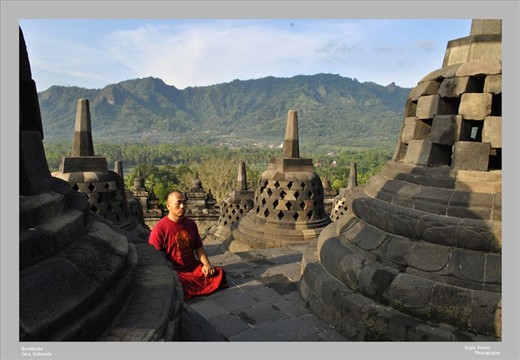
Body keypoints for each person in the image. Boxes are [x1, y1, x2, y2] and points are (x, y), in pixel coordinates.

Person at [148, 190, 227, 300]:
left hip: (192, 267)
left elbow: (198, 247)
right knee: (176, 284)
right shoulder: (159, 229)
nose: (182, 206)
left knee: (218, 273)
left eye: (184, 203)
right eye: (178, 203)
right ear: (168, 206)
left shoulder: (191, 224)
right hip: (175, 271)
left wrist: (206, 264)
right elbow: (154, 258)